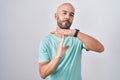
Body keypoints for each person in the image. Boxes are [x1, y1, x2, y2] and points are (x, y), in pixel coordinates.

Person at [38, 2, 104, 80]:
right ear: (56, 16)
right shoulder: (46, 41)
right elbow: (43, 74)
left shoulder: (77, 38)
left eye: (71, 14)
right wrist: (58, 56)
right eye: (64, 13)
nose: (67, 17)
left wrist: (74, 32)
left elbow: (100, 48)